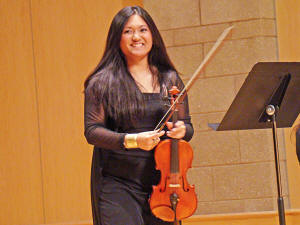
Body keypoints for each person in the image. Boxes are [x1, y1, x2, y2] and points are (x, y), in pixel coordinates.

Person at [84, 6, 194, 225]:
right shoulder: (102, 83)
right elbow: (92, 131)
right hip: (117, 183)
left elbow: (188, 127)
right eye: (128, 31)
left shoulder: (170, 79)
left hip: (164, 182)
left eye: (143, 30)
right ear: (117, 38)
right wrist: (134, 140)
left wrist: (181, 130)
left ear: (152, 34)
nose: (136, 37)